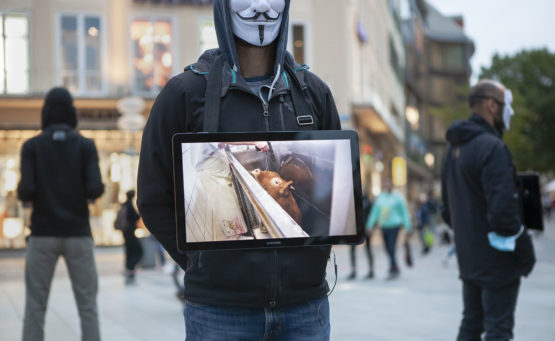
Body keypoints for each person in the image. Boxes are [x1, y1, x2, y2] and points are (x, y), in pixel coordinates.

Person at [137, 0, 340, 339]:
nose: (261, 7)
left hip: (305, 307)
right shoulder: (185, 94)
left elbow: (343, 189)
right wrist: (204, 261)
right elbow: (154, 197)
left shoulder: (313, 93)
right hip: (219, 311)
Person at [441, 79, 535, 341]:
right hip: (497, 261)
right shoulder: (492, 148)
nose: (511, 112)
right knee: (498, 328)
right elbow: (503, 213)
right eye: (507, 105)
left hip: (469, 256)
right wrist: (524, 249)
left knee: (471, 323)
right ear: (493, 106)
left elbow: (447, 211)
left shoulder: (452, 149)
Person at [17, 87, 104, 341]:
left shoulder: (31, 146)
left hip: (42, 234)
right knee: (88, 307)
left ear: (46, 111)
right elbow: (95, 188)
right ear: (71, 111)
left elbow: (25, 191)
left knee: (35, 306)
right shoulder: (86, 146)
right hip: (78, 233)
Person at [366, 179, 411, 280]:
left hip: (394, 226)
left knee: (391, 247)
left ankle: (392, 267)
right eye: (385, 185)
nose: (387, 187)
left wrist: (408, 227)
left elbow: (404, 212)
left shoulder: (398, 198)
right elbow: (374, 212)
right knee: (387, 248)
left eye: (389, 185)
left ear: (392, 186)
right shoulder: (381, 198)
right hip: (384, 226)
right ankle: (395, 266)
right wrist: (370, 225)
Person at [347, 192, 374, 279]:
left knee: (368, 249)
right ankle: (353, 270)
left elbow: (372, 214)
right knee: (352, 249)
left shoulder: (367, 201)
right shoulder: (351, 200)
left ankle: (371, 270)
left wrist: (371, 227)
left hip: (365, 227)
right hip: (354, 228)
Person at [120, 190, 142, 284]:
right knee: (138, 251)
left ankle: (129, 269)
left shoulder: (124, 204)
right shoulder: (129, 205)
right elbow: (136, 216)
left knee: (129, 251)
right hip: (130, 232)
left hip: (125, 232)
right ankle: (130, 268)